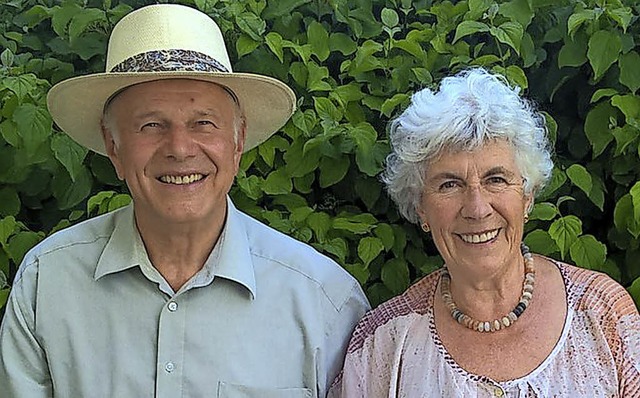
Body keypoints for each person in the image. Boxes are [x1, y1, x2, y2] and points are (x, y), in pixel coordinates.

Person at [0, 4, 370, 397]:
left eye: (203, 123)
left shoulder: (324, 301)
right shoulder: (48, 281)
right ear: (114, 147)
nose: (179, 148)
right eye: (151, 125)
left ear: (237, 142)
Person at [329, 68, 640, 397]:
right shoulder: (386, 345)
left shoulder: (601, 312)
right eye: (450, 184)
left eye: (496, 179)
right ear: (421, 208)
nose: (477, 208)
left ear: (528, 194)